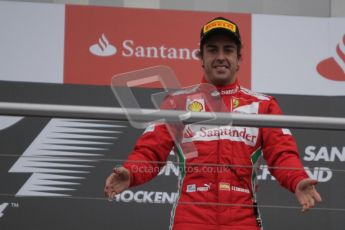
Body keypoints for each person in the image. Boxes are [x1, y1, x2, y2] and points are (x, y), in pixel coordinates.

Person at [104, 17, 322, 230]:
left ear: (239, 58)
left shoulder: (263, 105)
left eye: (228, 50)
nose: (220, 57)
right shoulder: (177, 102)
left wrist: (297, 180)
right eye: (212, 50)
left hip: (242, 220)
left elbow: (282, 155)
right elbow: (151, 151)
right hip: (190, 219)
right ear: (201, 57)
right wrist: (131, 172)